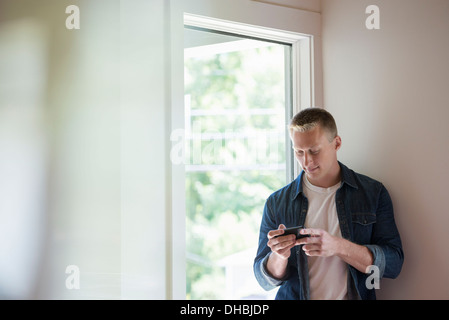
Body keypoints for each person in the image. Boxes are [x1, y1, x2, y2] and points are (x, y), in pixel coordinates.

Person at [253, 107, 403, 300]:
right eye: (299, 152)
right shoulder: (277, 203)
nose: (306, 161)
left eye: (314, 151)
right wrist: (279, 256)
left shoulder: (373, 193)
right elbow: (264, 280)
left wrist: (338, 247)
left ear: (337, 143)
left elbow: (393, 265)